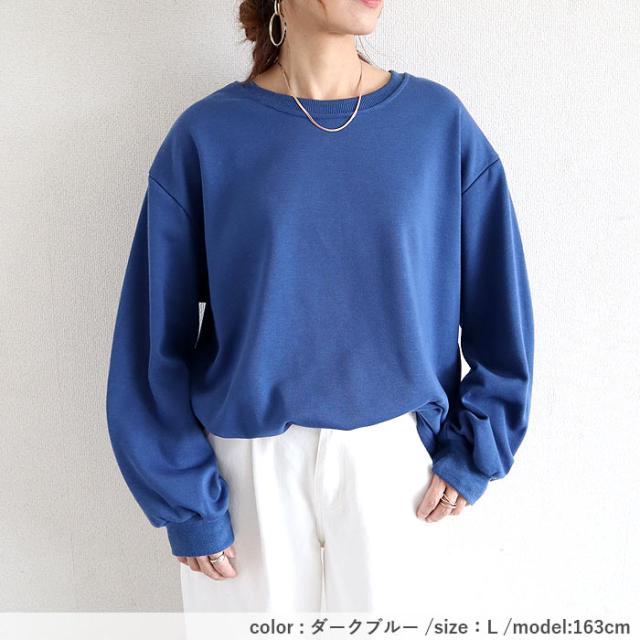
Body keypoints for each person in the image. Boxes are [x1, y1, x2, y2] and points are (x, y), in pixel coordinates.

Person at [105, 0, 534, 613]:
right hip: (245, 476)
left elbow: (501, 308)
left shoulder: (437, 125)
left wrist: (475, 449)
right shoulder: (207, 135)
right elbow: (152, 337)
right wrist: (185, 498)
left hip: (398, 470)